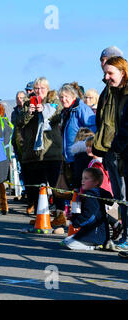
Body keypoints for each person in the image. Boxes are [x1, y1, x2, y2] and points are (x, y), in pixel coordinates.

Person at [94, 56, 128, 252]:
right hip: (115, 151)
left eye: (110, 73)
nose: (106, 77)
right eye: (105, 73)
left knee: (124, 195)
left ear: (122, 72)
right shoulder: (112, 92)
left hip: (120, 150)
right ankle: (125, 235)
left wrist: (116, 146)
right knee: (121, 196)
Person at [16, 77, 64, 215]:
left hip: (51, 150)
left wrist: (44, 110)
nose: (39, 91)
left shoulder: (53, 101)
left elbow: (58, 115)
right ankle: (40, 215)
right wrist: (29, 113)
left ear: (47, 89)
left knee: (55, 185)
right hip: (33, 153)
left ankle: (60, 213)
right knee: (37, 187)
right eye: (36, 88)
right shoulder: (27, 103)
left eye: (42, 88)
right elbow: (19, 122)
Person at [62, 168, 112, 250]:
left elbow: (90, 215)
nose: (82, 181)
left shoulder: (91, 195)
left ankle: (95, 246)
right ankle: (93, 243)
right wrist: (73, 217)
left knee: (69, 244)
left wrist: (76, 222)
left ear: (96, 182)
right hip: (92, 231)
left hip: (95, 233)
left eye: (86, 178)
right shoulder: (93, 194)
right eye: (82, 178)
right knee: (66, 241)